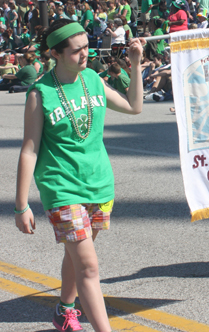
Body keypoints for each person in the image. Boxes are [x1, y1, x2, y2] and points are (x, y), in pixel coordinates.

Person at [14, 18, 143, 332]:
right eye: (76, 51)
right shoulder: (40, 94)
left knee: (76, 257)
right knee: (88, 266)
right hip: (61, 188)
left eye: (86, 47)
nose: (84, 54)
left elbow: (135, 106)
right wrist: (21, 205)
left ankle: (65, 309)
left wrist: (136, 64)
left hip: (99, 184)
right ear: (55, 53)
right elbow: (29, 150)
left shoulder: (94, 81)